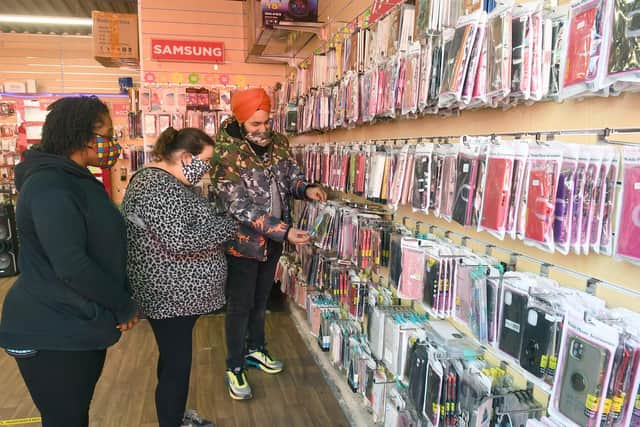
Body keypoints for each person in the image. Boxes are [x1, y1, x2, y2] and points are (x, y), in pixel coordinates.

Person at [0, 96, 139, 427]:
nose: (113, 143)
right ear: (83, 135)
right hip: (49, 330)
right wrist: (123, 305)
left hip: (74, 321)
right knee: (66, 419)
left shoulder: (73, 178)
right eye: (107, 133)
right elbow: (72, 265)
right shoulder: (50, 186)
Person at [211, 88, 327, 400]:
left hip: (274, 241)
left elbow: (291, 179)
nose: (263, 130)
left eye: (266, 122)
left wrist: (307, 189)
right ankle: (234, 365)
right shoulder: (226, 155)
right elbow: (239, 207)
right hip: (243, 243)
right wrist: (284, 231)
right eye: (255, 125)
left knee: (261, 301)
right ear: (239, 120)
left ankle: (255, 349)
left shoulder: (279, 143)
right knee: (240, 305)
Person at [121, 127, 237, 427]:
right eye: (206, 160)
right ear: (186, 157)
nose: (208, 168)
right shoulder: (156, 186)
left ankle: (173, 416)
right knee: (176, 365)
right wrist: (229, 226)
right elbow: (181, 240)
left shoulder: (167, 183)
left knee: (174, 361)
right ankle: (172, 421)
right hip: (170, 296)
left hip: (176, 296)